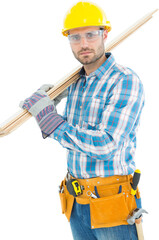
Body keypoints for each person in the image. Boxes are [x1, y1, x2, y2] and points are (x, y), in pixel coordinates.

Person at [20, 1, 145, 239]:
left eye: (90, 34)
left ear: (105, 34)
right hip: (76, 201)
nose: (83, 44)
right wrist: (50, 106)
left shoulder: (125, 80)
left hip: (113, 203)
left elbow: (106, 145)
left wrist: (51, 121)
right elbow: (77, 136)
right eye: (75, 37)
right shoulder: (76, 83)